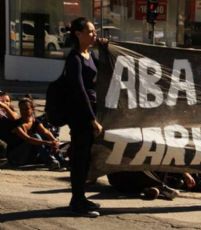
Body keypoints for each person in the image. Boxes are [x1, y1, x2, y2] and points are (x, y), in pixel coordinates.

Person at [64, 17, 107, 217]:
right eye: (90, 31)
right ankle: (76, 203)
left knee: (86, 160)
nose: (94, 34)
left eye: (94, 30)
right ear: (78, 34)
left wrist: (105, 48)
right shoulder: (74, 59)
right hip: (81, 117)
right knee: (79, 160)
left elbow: (106, 68)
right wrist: (92, 120)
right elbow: (80, 92)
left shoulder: (88, 54)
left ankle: (81, 198)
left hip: (91, 114)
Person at [6, 97, 61, 168]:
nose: (24, 111)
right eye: (22, 109)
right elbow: (28, 139)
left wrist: (54, 141)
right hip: (16, 157)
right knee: (36, 136)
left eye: (27, 109)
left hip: (29, 155)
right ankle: (50, 161)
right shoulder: (16, 125)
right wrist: (48, 143)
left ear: (32, 109)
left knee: (56, 143)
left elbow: (46, 132)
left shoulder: (35, 122)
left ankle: (61, 159)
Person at [0, 91, 20, 159]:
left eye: (7, 101)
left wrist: (5, 107)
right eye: (2, 101)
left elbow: (14, 118)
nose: (5, 103)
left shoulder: (13, 112)